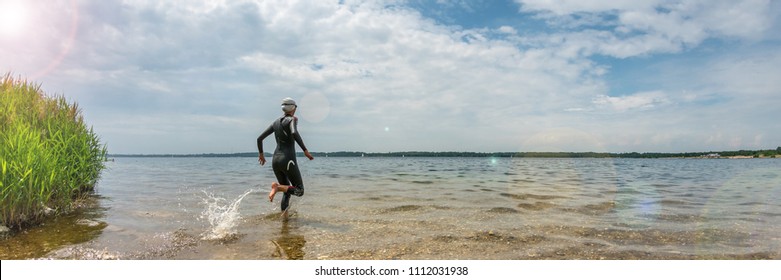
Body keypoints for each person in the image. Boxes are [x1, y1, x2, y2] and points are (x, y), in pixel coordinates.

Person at [257, 98, 314, 213]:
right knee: (299, 190)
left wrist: (261, 155)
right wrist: (305, 150)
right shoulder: (292, 119)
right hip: (287, 160)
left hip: (275, 160)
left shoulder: (275, 122)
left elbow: (259, 139)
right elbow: (294, 132)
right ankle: (277, 187)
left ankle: (285, 220)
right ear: (293, 108)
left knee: (287, 191)